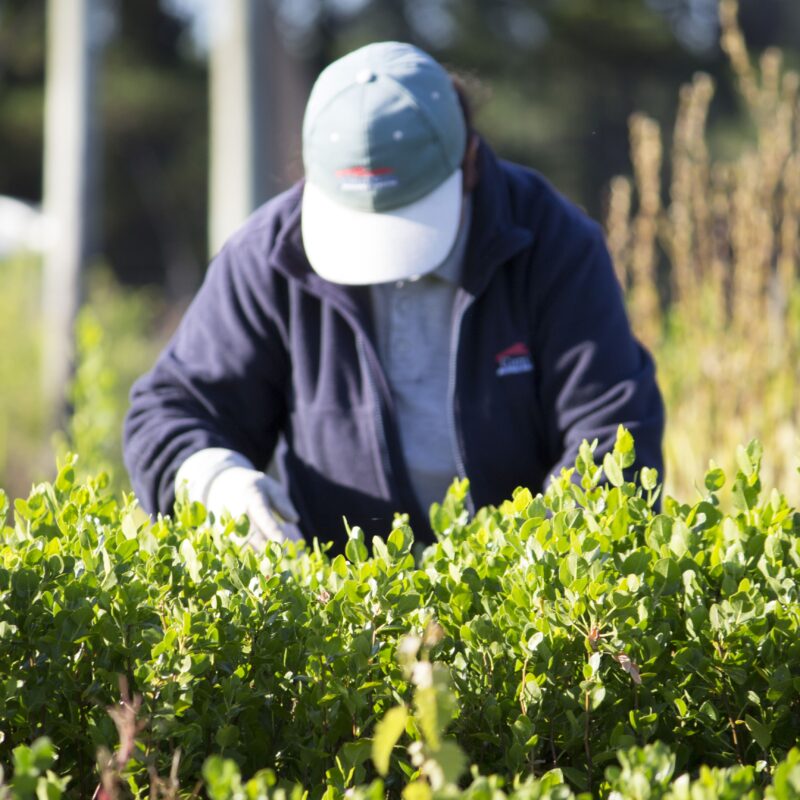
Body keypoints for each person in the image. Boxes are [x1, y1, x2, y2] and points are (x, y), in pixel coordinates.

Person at [123, 41, 664, 551]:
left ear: (469, 160)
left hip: (524, 612)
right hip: (344, 608)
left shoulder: (553, 244)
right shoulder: (269, 258)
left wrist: (526, 567)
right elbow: (171, 412)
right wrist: (217, 482)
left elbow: (615, 430)